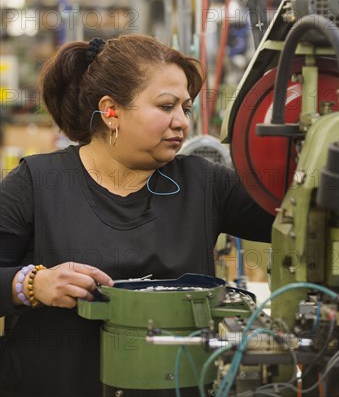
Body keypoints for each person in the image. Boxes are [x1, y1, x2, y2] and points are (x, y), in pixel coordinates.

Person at [0, 34, 274, 397]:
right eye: (166, 106)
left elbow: (293, 219)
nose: (182, 123)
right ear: (111, 110)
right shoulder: (37, 183)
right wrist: (31, 284)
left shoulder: (206, 184)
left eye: (186, 109)